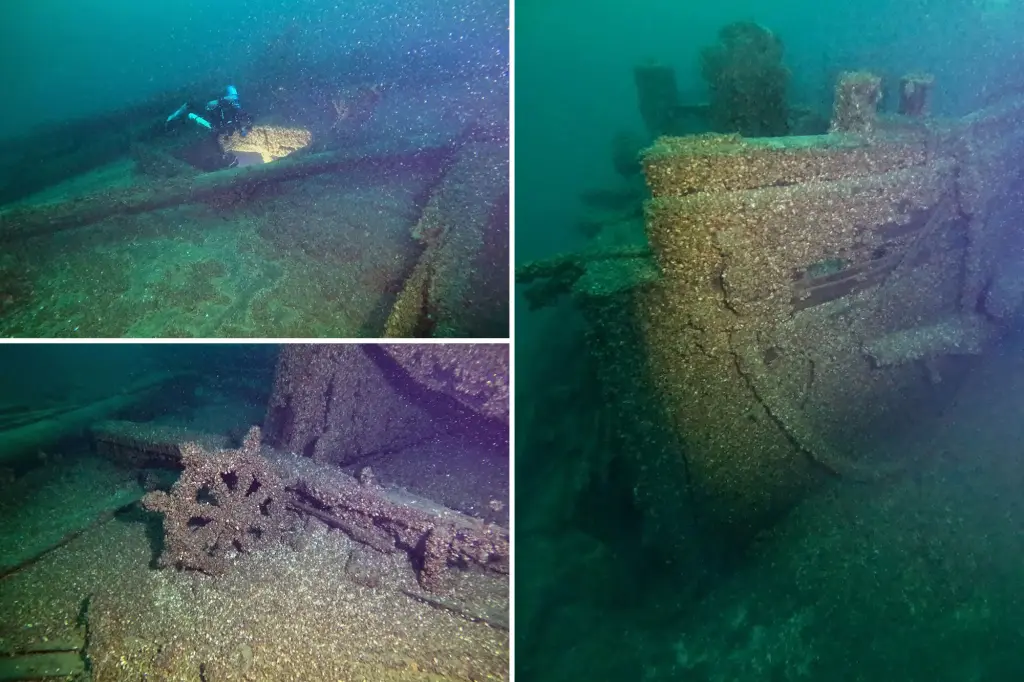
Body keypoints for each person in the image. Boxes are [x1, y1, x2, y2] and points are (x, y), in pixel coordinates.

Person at [166, 85, 253, 169]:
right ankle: (175, 117)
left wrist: (243, 129)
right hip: (215, 122)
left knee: (214, 133)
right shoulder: (222, 105)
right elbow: (209, 106)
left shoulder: (234, 110)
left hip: (217, 124)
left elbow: (242, 117)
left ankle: (224, 160)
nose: (234, 101)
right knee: (193, 110)